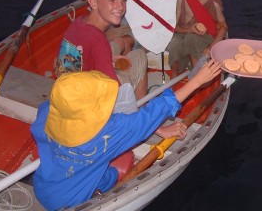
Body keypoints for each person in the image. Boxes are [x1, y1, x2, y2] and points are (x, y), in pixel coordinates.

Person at [31, 59, 221, 210]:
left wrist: (159, 129)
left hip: (43, 187)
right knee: (121, 165)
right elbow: (157, 110)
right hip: (74, 203)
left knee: (104, 168)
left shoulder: (47, 111)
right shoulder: (110, 133)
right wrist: (197, 81)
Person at [55, 0, 187, 139]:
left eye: (123, 0)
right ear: (93, 2)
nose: (120, 7)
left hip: (69, 97)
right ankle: (144, 117)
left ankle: (141, 104)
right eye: (112, 0)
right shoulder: (97, 41)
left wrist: (106, 60)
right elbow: (119, 98)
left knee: (131, 51)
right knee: (137, 62)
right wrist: (160, 130)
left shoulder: (78, 24)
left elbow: (73, 62)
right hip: (88, 111)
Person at [167, 0, 228, 78]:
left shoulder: (214, 2)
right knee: (174, 42)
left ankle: (197, 74)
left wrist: (211, 48)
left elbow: (223, 27)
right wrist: (189, 29)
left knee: (192, 38)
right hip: (184, 34)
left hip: (206, 39)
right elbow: (173, 27)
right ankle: (173, 76)